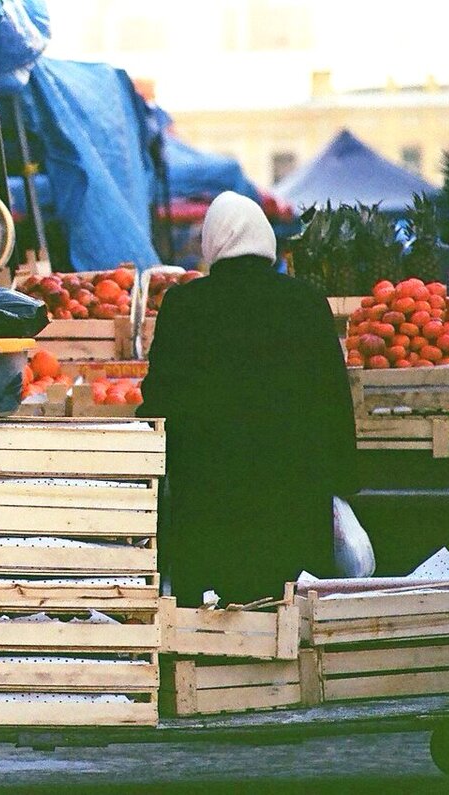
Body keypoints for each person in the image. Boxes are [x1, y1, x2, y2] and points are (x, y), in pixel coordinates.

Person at [138, 191, 357, 606]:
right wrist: (343, 482)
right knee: (289, 607)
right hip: (293, 492)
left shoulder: (185, 305)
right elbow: (333, 397)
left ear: (213, 243)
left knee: (213, 617)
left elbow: (160, 397)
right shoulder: (305, 302)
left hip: (210, 495)